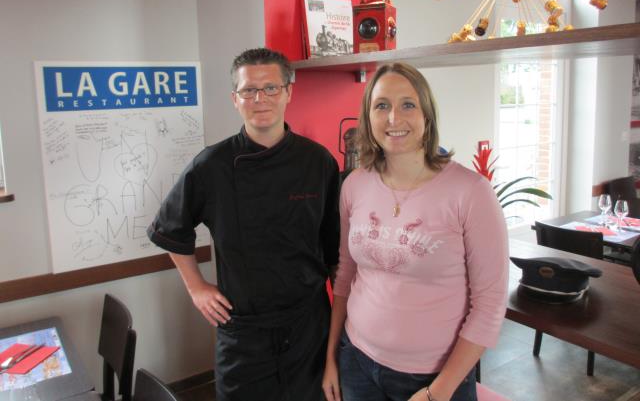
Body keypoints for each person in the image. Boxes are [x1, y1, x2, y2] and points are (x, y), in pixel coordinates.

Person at [147, 48, 340, 401]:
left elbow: (334, 255)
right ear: (235, 99)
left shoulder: (319, 162)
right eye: (249, 90)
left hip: (309, 329)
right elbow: (170, 228)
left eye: (271, 88)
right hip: (243, 335)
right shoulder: (212, 166)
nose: (260, 99)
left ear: (288, 92)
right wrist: (196, 288)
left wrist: (341, 339)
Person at [322, 62, 508, 401]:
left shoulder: (471, 192)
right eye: (382, 106)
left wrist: (439, 391)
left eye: (408, 104)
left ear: (427, 115)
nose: (394, 118)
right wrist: (331, 357)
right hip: (356, 363)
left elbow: (491, 304)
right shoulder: (355, 185)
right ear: (368, 117)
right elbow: (346, 275)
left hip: (434, 378)